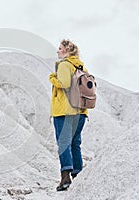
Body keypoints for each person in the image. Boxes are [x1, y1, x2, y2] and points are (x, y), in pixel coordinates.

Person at [49, 39, 88, 191]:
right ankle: (78, 175)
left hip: (65, 111)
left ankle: (65, 178)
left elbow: (64, 84)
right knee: (74, 143)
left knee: (64, 143)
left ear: (66, 50)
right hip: (81, 111)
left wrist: (52, 78)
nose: (57, 51)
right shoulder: (81, 66)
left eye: (60, 48)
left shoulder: (64, 65)